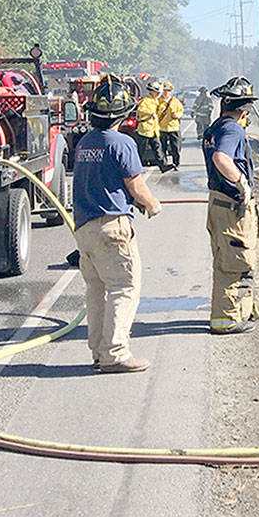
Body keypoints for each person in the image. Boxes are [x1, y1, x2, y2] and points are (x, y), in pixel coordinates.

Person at [71, 74, 162, 373]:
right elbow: (136, 187)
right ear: (124, 114)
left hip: (85, 229)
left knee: (96, 291)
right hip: (112, 228)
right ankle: (115, 353)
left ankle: (99, 351)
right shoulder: (122, 143)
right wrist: (152, 204)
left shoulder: (85, 142)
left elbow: (102, 181)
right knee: (124, 287)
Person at [202, 76, 259, 334]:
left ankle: (243, 311)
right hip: (231, 207)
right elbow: (221, 157)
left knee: (229, 258)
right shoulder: (232, 129)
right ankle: (226, 319)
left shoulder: (215, 127)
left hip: (218, 205)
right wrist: (242, 183)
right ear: (243, 109)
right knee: (235, 261)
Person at [134, 80, 162, 166]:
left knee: (157, 148)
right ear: (151, 91)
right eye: (155, 92)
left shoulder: (156, 101)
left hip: (153, 129)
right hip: (144, 129)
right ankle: (138, 165)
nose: (157, 94)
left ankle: (163, 165)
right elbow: (141, 110)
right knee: (141, 150)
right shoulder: (146, 100)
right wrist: (151, 111)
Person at [157, 80, 184, 171]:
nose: (166, 92)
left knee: (175, 147)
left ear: (171, 91)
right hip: (162, 128)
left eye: (168, 90)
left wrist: (177, 115)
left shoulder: (175, 101)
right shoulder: (158, 101)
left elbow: (180, 111)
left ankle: (176, 163)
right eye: (164, 90)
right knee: (162, 147)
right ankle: (164, 164)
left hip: (173, 127)